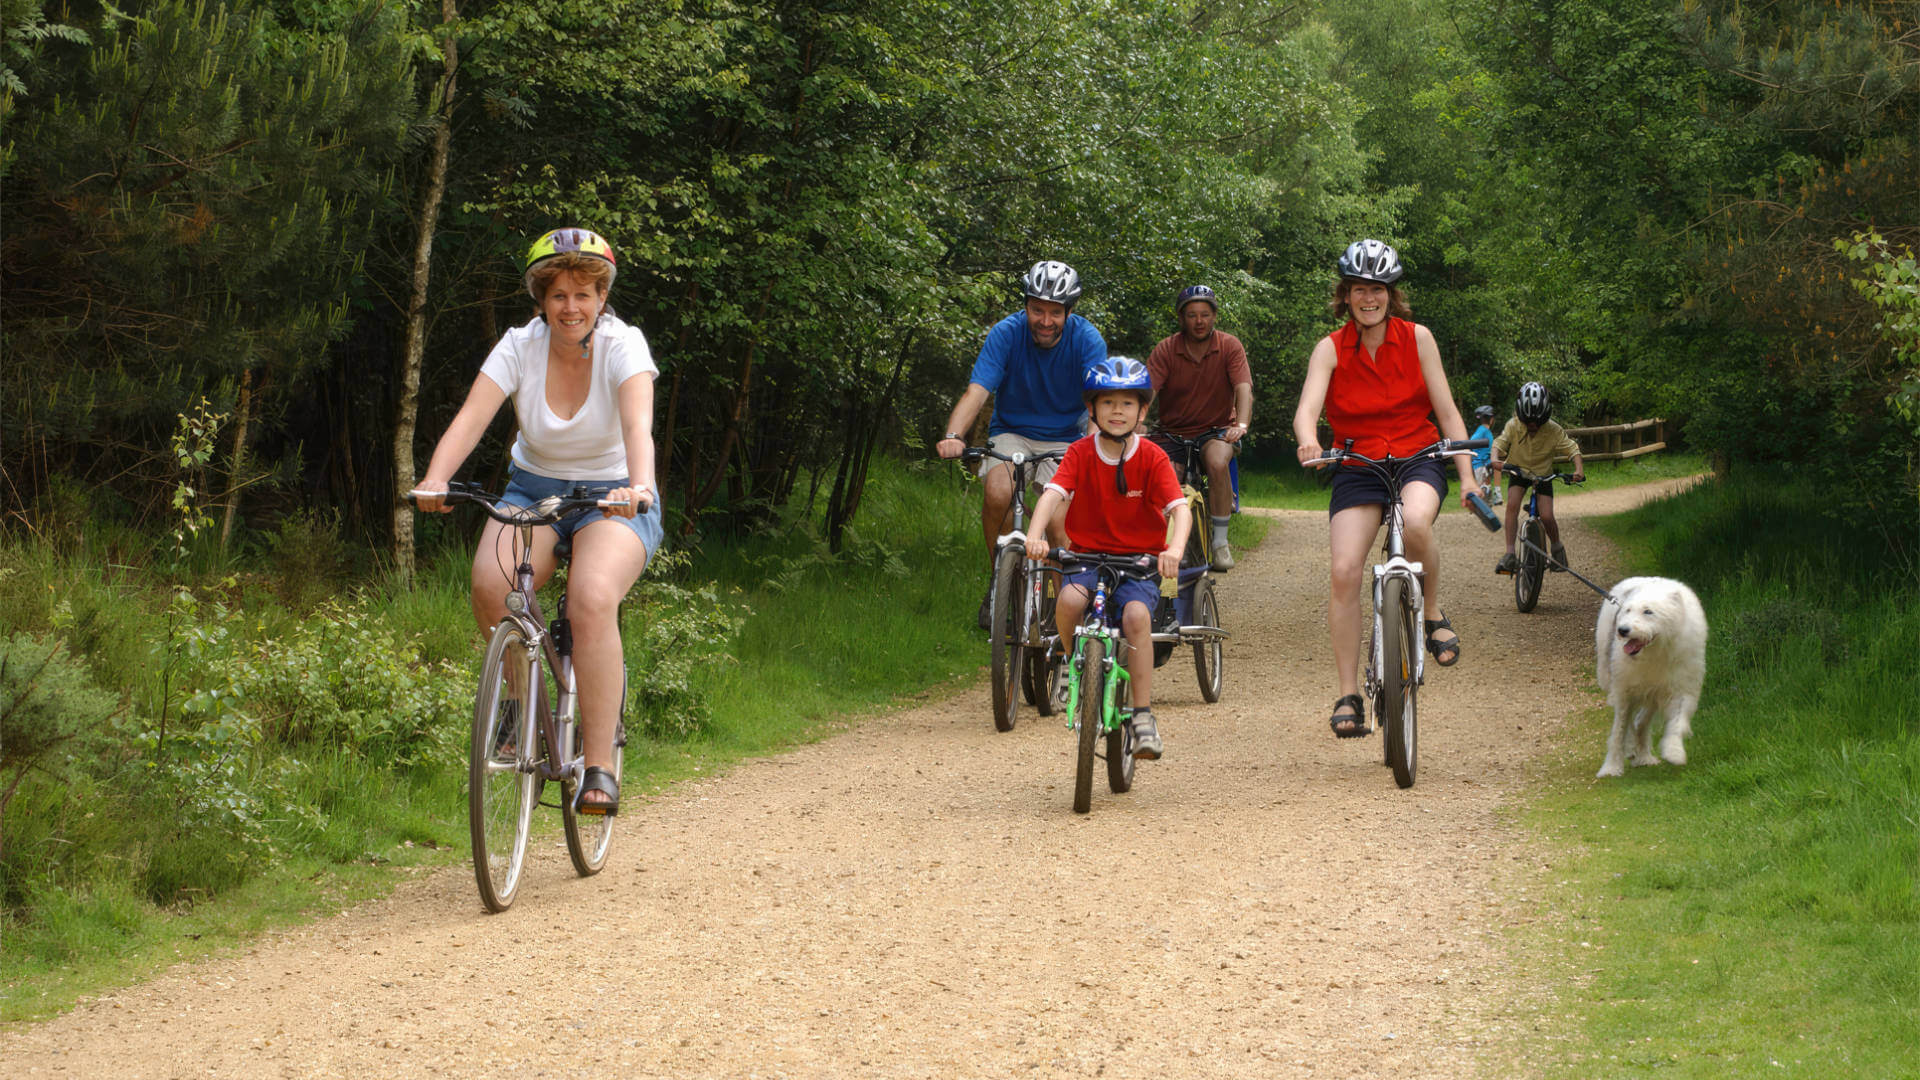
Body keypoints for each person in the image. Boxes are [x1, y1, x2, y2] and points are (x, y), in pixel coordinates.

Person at [413, 227, 662, 815]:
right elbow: (472, 417)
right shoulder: (519, 346)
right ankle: (522, 707)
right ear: (541, 300)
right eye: (558, 295)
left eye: (583, 294)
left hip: (614, 496)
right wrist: (436, 478)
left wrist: (639, 486)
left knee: (591, 597)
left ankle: (599, 764)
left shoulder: (624, 345)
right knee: (490, 584)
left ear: (602, 298)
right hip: (534, 490)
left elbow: (638, 427)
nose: (571, 307)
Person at [1291, 239, 1484, 739]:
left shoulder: (1419, 339)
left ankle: (1432, 612)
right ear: (1346, 295)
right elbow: (1307, 410)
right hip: (1357, 464)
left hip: (1418, 456)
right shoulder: (1330, 348)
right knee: (1343, 571)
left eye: (1377, 289)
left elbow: (1447, 413)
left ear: (1391, 294)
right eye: (1359, 289)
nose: (1368, 298)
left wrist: (1467, 475)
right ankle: (1348, 693)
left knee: (1415, 522)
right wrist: (1309, 440)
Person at [1024, 358, 1192, 760]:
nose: (1118, 411)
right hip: (1087, 557)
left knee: (1136, 618)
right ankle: (1074, 664)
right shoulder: (1080, 452)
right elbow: (1053, 494)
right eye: (1108, 403)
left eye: (1127, 403)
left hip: (1138, 562)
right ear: (1092, 409)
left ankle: (1143, 715)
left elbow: (1179, 509)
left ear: (1142, 411)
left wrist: (1174, 549)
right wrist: (1034, 534)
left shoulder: (1152, 457)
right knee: (1068, 601)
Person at [936, 260, 1109, 629]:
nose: (1045, 320)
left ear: (1069, 312)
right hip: (1012, 431)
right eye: (1037, 310)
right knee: (998, 493)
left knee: (1059, 520)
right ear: (1026, 306)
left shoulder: (1087, 339)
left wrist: (1095, 447)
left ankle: (1064, 613)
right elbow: (977, 391)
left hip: (1067, 437)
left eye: (1055, 312)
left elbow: (1098, 402)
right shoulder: (1006, 333)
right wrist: (953, 436)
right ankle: (1000, 580)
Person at [1145, 284, 1253, 572]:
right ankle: (1158, 542)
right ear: (1181, 318)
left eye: (1205, 314)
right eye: (1192, 315)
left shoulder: (1229, 346)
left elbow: (1243, 388)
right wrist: (1137, 420)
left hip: (1216, 429)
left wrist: (1241, 424)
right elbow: (1148, 391)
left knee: (1217, 462)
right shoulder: (1166, 349)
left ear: (1214, 316)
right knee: (1165, 475)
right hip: (1172, 431)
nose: (1199, 321)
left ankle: (1220, 543)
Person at [1489, 381, 1585, 573]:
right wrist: (1494, 459)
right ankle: (1510, 553)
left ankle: (1557, 548)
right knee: (1512, 505)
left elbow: (1571, 448)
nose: (1532, 426)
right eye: (1528, 422)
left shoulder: (1553, 429)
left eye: (1537, 423)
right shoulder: (1513, 425)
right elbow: (1500, 443)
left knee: (1547, 515)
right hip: (1518, 471)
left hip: (1543, 475)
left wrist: (1578, 469)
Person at [1469, 404, 1503, 505]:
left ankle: (1495, 494)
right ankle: (1495, 494)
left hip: (1485, 464)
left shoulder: (1485, 431)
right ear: (1491, 419)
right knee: (1482, 494)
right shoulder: (1483, 430)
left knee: (1497, 466)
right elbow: (1471, 442)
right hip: (1480, 465)